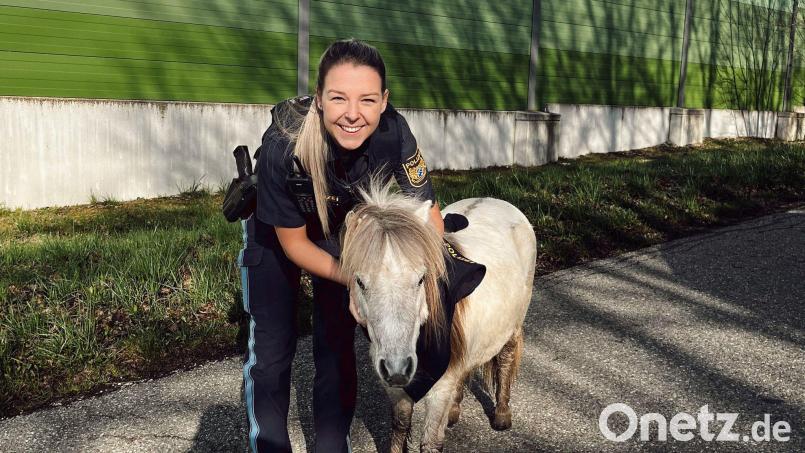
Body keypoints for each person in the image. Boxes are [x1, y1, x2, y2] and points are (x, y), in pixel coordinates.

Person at [237, 38, 444, 453]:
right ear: (319, 100)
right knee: (273, 348)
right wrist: (355, 279)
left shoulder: (395, 132)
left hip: (340, 230)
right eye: (339, 99)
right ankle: (270, 446)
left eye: (367, 99)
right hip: (279, 232)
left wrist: (408, 277)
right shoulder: (284, 147)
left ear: (384, 101)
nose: (353, 114)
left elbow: (431, 216)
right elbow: (294, 244)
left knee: (335, 342)